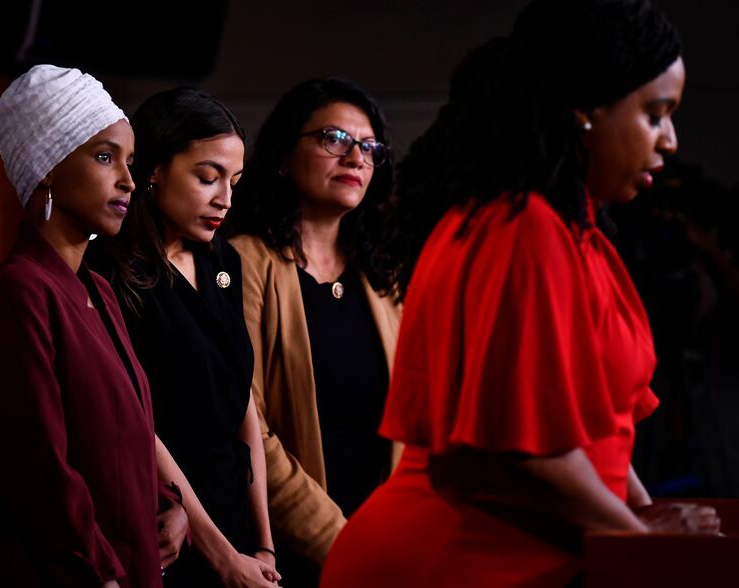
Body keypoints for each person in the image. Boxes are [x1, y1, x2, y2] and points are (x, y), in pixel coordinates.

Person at [320, 1, 721, 586]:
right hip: (451, 560)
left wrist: (642, 517)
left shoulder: (573, 230)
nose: (671, 141)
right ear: (588, 109)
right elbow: (525, 455)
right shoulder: (521, 228)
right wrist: (644, 540)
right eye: (656, 114)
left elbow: (604, 435)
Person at [0, 64, 186, 587]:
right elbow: (38, 476)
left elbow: (127, 432)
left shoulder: (97, 291)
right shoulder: (14, 296)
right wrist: (103, 573)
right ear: (47, 168)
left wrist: (170, 505)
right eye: (105, 157)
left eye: (130, 161)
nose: (129, 180)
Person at [88, 87, 280, 587]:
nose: (225, 200)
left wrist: (263, 543)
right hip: (169, 528)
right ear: (153, 170)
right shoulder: (111, 270)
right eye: (207, 177)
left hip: (236, 519)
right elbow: (138, 423)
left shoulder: (225, 261)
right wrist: (222, 557)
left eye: (234, 182)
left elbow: (244, 406)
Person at [227, 78, 401, 584]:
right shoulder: (244, 261)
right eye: (334, 138)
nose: (356, 158)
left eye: (369, 147)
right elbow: (249, 426)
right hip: (292, 556)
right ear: (283, 156)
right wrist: (339, 543)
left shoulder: (384, 279)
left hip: (388, 548)